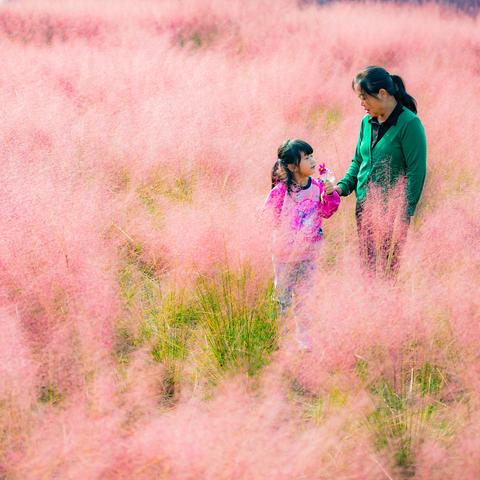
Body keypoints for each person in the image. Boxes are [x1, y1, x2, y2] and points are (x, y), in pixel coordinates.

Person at [334, 66, 427, 274]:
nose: (361, 104)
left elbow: (416, 172)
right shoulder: (366, 123)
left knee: (388, 271)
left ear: (383, 94)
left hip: (392, 213)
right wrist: (341, 187)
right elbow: (358, 160)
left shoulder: (410, 124)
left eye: (364, 98)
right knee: (367, 268)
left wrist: (404, 213)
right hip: (364, 207)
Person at [264, 139, 340, 349]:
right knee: (283, 299)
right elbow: (267, 215)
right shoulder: (281, 191)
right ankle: (281, 339)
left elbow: (327, 211)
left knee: (305, 298)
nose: (313, 160)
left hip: (309, 254)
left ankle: (304, 341)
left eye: (312, 155)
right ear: (292, 166)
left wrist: (331, 193)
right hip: (284, 255)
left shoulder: (317, 188)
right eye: (307, 157)